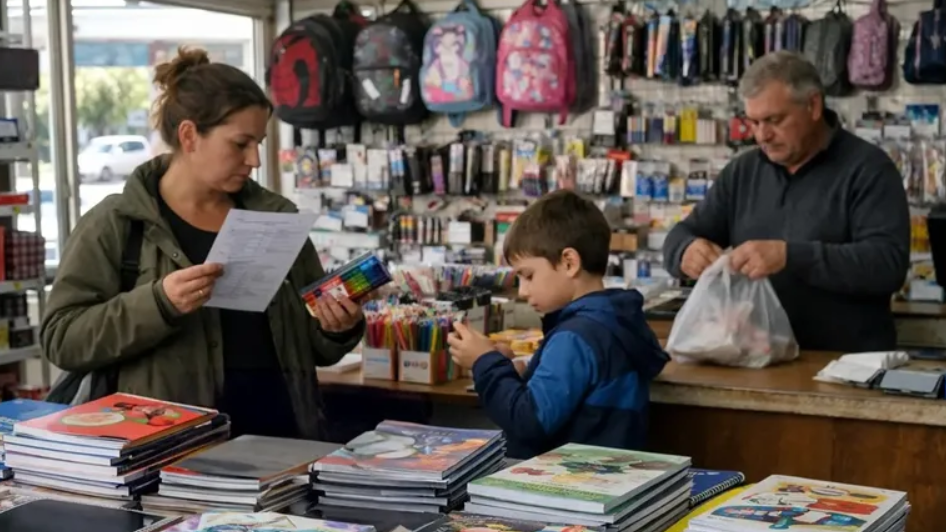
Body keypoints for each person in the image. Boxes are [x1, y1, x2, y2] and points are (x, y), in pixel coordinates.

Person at [40, 47, 365, 439]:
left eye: (259, 143)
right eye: (240, 144)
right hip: (169, 450)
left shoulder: (276, 217)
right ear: (190, 136)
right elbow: (61, 339)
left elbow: (314, 347)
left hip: (283, 446)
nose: (255, 160)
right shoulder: (118, 223)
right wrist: (159, 302)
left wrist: (338, 327)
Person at [663, 51, 910, 353]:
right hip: (756, 358)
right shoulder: (743, 171)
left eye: (774, 120)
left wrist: (790, 257)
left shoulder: (868, 170)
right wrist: (685, 251)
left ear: (813, 105)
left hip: (844, 364)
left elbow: (887, 265)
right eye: (754, 122)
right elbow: (681, 235)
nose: (762, 135)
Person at [448, 190, 669, 459]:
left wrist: (485, 363)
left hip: (569, 477)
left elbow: (528, 421)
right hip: (605, 472)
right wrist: (511, 369)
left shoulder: (575, 337)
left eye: (528, 276)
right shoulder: (612, 321)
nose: (523, 291)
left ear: (569, 262)